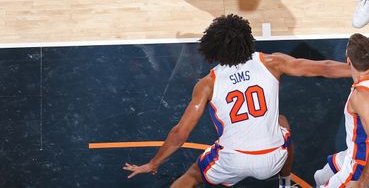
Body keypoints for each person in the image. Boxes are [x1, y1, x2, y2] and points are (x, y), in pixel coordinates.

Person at [123, 14, 350, 187]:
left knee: (192, 175)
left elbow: (180, 133)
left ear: (212, 48)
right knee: (283, 124)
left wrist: (153, 163)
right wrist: (365, 70)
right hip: (271, 160)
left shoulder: (207, 83)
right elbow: (324, 68)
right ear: (247, 40)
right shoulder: (272, 62)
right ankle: (285, 181)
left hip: (232, 160)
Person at [313, 33, 369, 188]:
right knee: (320, 176)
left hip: (363, 167)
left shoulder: (362, 97)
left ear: (348, 61)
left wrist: (361, 183)